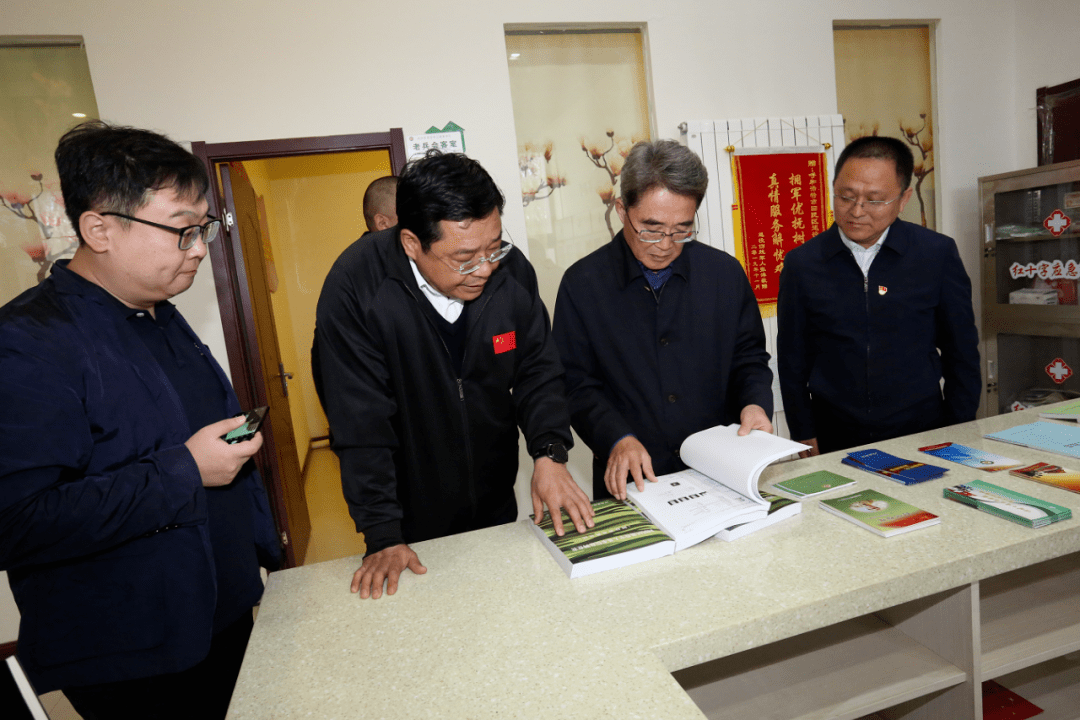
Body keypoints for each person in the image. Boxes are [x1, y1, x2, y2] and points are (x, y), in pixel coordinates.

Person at [0, 121, 282, 719]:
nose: (200, 248)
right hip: (134, 654)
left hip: (216, 616)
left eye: (202, 228)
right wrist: (185, 470)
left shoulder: (157, 314)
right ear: (99, 228)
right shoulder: (27, 344)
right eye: (182, 231)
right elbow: (18, 522)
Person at [312, 150, 593, 600]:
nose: (485, 269)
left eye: (494, 246)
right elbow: (359, 419)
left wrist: (549, 451)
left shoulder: (511, 271)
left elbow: (538, 369)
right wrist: (383, 533)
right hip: (408, 512)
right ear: (410, 243)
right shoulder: (357, 288)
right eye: (464, 258)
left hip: (494, 494)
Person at [552, 139, 774, 501]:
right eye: (651, 228)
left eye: (681, 229)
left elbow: (748, 358)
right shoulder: (583, 284)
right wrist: (616, 438)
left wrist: (754, 404)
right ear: (623, 210)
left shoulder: (723, 275)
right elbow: (575, 384)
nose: (665, 244)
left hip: (719, 471)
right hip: (632, 480)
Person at [777, 135, 981, 456]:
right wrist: (803, 431)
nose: (857, 211)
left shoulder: (935, 254)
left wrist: (960, 428)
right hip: (834, 431)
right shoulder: (803, 263)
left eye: (874, 200)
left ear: (903, 200)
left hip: (921, 428)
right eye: (845, 196)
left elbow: (962, 353)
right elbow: (792, 360)